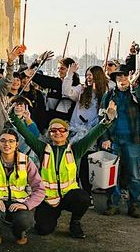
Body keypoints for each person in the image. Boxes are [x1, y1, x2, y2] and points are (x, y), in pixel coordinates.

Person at [10, 101, 116, 239]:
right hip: (48, 199)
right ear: (49, 134)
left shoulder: (76, 149)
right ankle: (52, 217)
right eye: (53, 130)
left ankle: (75, 222)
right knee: (43, 229)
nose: (58, 133)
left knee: (83, 198)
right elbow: (25, 133)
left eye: (62, 130)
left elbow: (93, 135)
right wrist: (15, 116)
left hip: (69, 196)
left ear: (67, 133)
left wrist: (107, 121)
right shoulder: (42, 149)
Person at [0, 127, 46, 245]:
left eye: (11, 141)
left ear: (17, 144)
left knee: (25, 220)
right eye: (3, 141)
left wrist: (27, 205)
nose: (7, 144)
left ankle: (19, 233)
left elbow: (39, 189)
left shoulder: (26, 161)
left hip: (20, 201)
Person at [99, 69, 140, 217]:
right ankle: (113, 204)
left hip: (133, 140)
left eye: (125, 75)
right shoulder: (108, 95)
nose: (122, 78)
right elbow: (101, 117)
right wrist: (104, 138)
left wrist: (134, 85)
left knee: (134, 174)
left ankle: (134, 204)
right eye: (119, 76)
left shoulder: (134, 93)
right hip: (114, 140)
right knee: (112, 174)